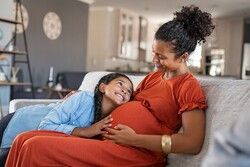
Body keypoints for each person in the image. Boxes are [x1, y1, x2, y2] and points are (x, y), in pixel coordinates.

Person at [5, 5, 214, 167]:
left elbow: (192, 142)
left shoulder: (188, 87)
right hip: (107, 140)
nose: (154, 60)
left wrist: (136, 139)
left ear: (184, 57)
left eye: (161, 56)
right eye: (153, 52)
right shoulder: (154, 77)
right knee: (23, 138)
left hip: (136, 152)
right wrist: (85, 95)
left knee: (34, 147)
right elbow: (122, 100)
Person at [0, 72, 133, 165]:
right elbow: (46, 125)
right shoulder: (83, 98)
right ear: (103, 87)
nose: (124, 90)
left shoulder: (111, 119)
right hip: (20, 123)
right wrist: (84, 131)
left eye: (129, 91)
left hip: (35, 145)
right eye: (120, 84)